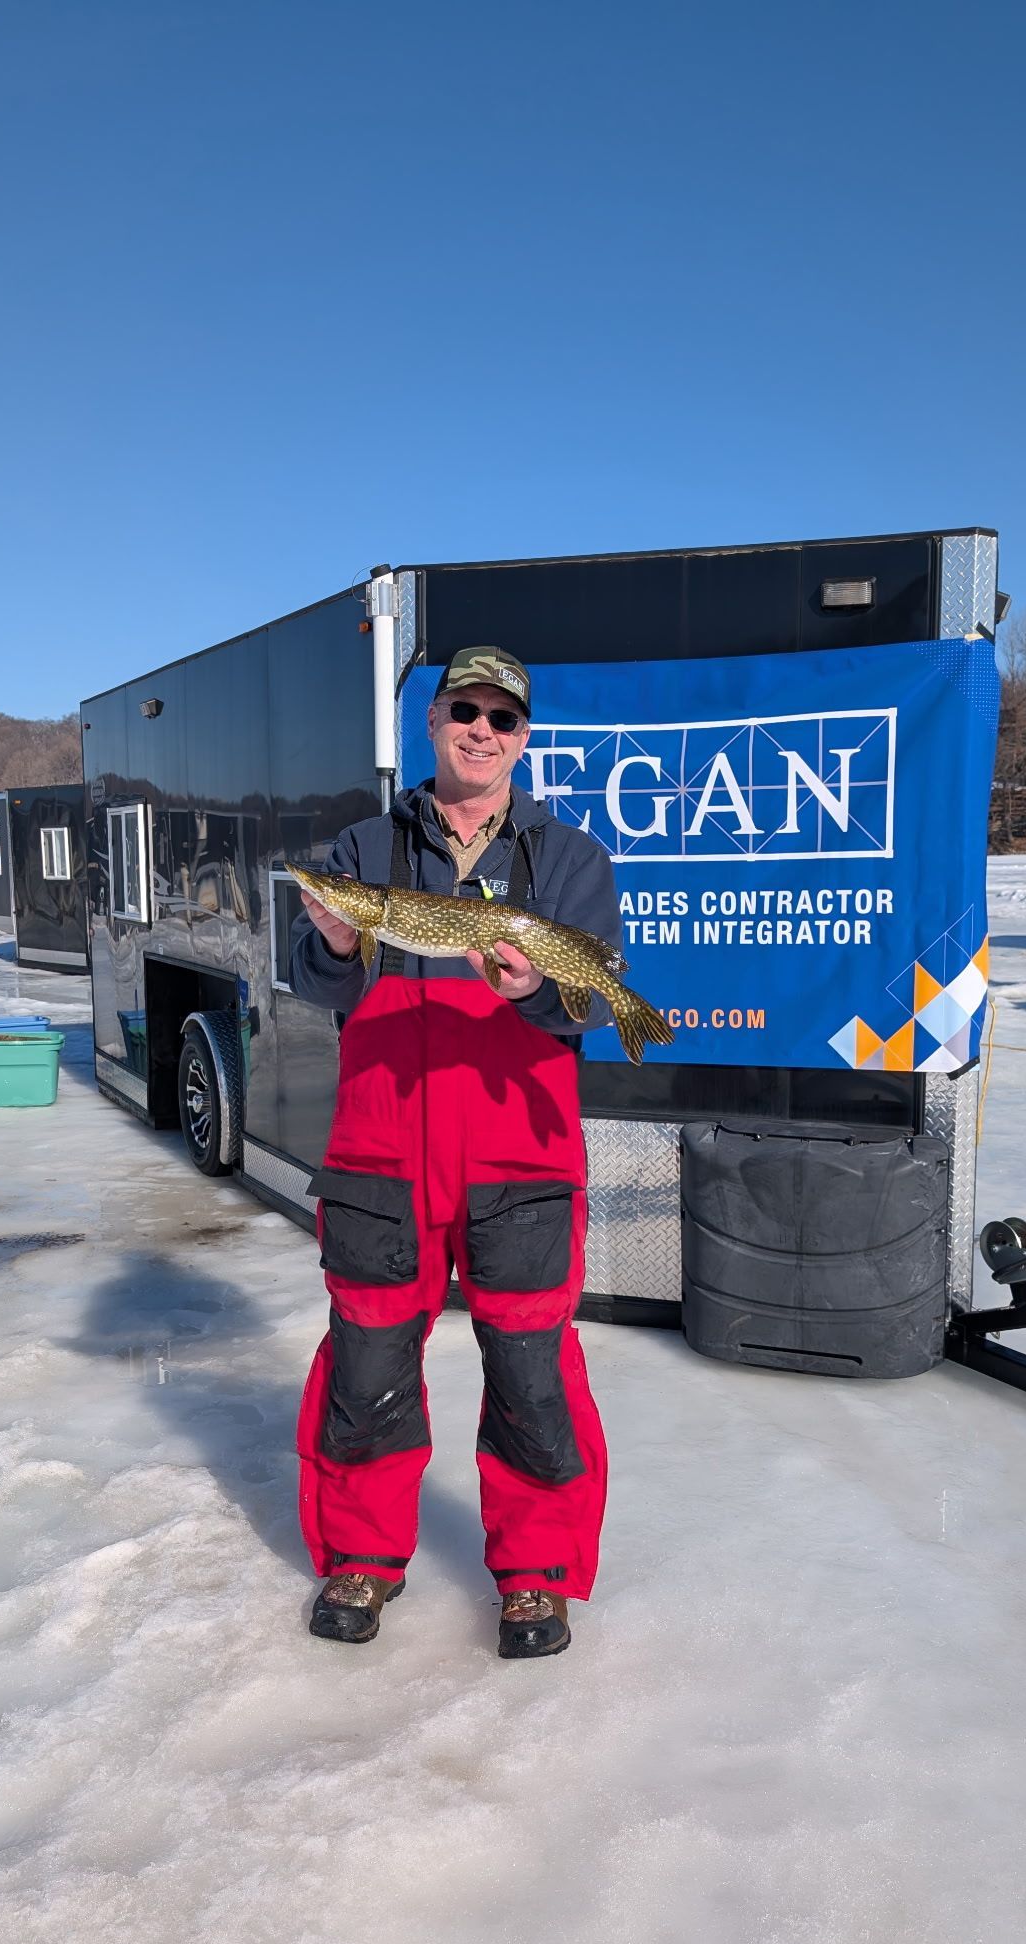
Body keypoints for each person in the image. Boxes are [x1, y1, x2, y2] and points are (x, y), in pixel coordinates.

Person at [288, 646, 618, 1659]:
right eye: (462, 711)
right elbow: (314, 982)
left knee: (532, 1368)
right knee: (367, 1358)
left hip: (521, 1151)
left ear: (523, 737)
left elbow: (591, 999)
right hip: (383, 1148)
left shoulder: (568, 858)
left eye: (501, 717)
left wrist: (534, 989)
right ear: (430, 726)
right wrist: (336, 943)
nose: (481, 729)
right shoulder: (361, 847)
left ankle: (538, 1574)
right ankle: (360, 1553)